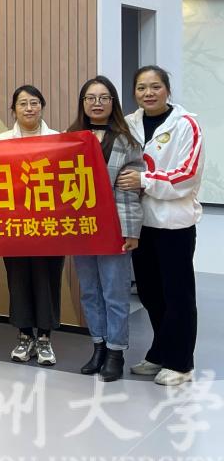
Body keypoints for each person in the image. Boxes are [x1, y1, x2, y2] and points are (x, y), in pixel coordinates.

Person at [120, 65, 203, 386]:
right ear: (134, 93)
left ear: (167, 89)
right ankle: (159, 352)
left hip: (174, 225)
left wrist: (144, 180)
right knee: (150, 293)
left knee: (178, 295)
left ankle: (181, 363)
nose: (148, 93)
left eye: (155, 86)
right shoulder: (129, 123)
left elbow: (187, 176)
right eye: (141, 88)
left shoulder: (186, 124)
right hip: (140, 224)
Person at [68, 76, 143, 382]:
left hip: (114, 228)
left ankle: (115, 352)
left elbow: (129, 191)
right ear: (82, 103)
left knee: (115, 292)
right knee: (90, 292)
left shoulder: (127, 140)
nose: (96, 103)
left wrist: (131, 231)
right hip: (81, 228)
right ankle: (98, 346)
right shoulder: (70, 137)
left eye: (103, 98)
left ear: (113, 102)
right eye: (90, 98)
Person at [0, 85, 63, 365]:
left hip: (49, 225)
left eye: (34, 103)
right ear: (14, 110)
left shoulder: (58, 140)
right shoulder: (1, 141)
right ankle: (25, 336)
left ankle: (45, 339)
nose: (29, 108)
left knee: (47, 279)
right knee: (18, 279)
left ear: (42, 106)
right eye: (22, 103)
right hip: (14, 225)